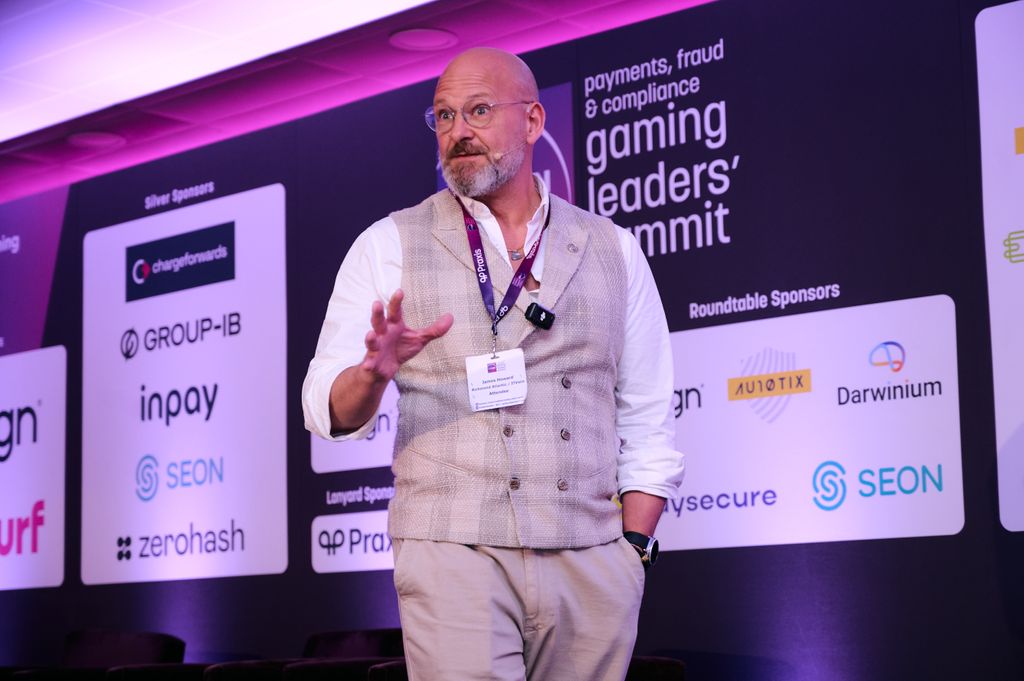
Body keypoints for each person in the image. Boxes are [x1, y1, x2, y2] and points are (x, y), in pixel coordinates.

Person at [302, 47, 684, 681]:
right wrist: (372, 374)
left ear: (532, 122)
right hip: (452, 547)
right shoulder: (388, 243)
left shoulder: (614, 248)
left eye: (478, 111)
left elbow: (647, 413)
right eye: (444, 115)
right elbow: (325, 408)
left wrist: (632, 549)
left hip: (591, 557)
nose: (458, 131)